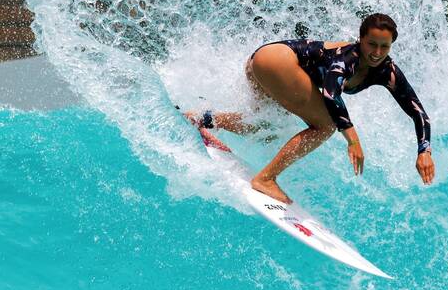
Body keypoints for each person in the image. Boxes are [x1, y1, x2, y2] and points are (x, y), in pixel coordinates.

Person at [185, 13, 435, 203]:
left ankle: (201, 119)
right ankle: (265, 179)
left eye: (385, 46)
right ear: (361, 39)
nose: (377, 52)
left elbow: (418, 113)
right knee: (325, 126)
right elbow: (330, 92)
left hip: (265, 60)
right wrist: (353, 140)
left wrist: (424, 151)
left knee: (266, 126)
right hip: (278, 60)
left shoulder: (387, 71)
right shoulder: (348, 58)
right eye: (372, 44)